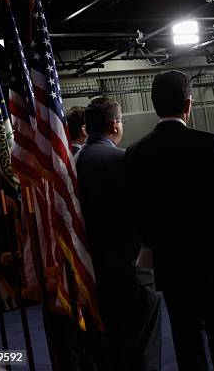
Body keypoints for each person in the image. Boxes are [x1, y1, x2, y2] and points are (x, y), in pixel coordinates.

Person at [125, 71, 214, 371]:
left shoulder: (136, 152)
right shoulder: (207, 142)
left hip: (171, 265)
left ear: (154, 105)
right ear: (189, 105)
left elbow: (138, 213)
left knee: (187, 343)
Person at [76, 97, 161, 371]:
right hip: (132, 271)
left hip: (90, 273)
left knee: (108, 352)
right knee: (142, 351)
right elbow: (146, 213)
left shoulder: (70, 162)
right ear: (115, 125)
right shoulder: (123, 160)